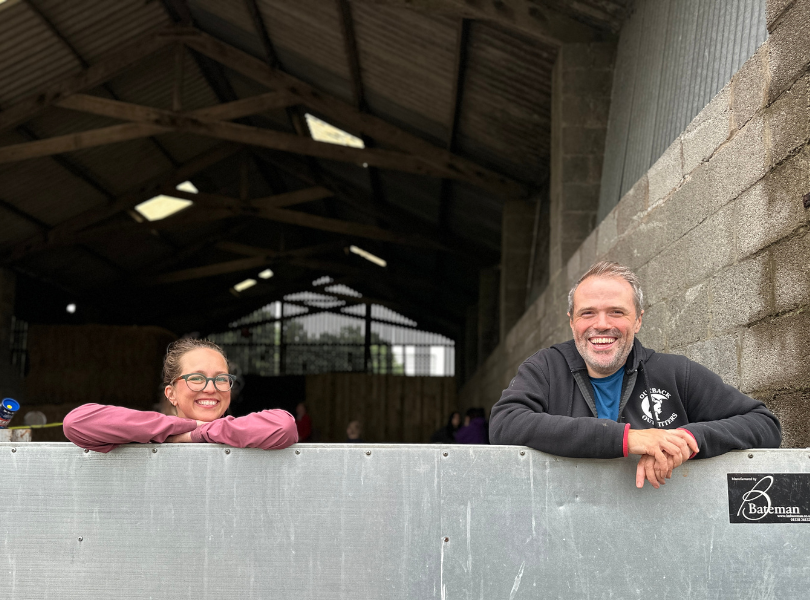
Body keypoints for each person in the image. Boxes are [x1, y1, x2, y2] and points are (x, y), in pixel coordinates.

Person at [490, 261, 781, 489]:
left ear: (638, 320)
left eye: (616, 312)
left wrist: (685, 440)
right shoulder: (546, 368)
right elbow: (505, 424)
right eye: (587, 313)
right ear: (572, 321)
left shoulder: (675, 373)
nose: (601, 325)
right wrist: (628, 440)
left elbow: (764, 425)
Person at [63, 339, 298, 453]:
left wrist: (198, 434)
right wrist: (173, 430)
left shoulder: (247, 434)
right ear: (171, 394)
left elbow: (284, 426)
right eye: (196, 378)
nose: (210, 388)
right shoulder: (140, 433)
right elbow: (77, 423)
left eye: (221, 379)